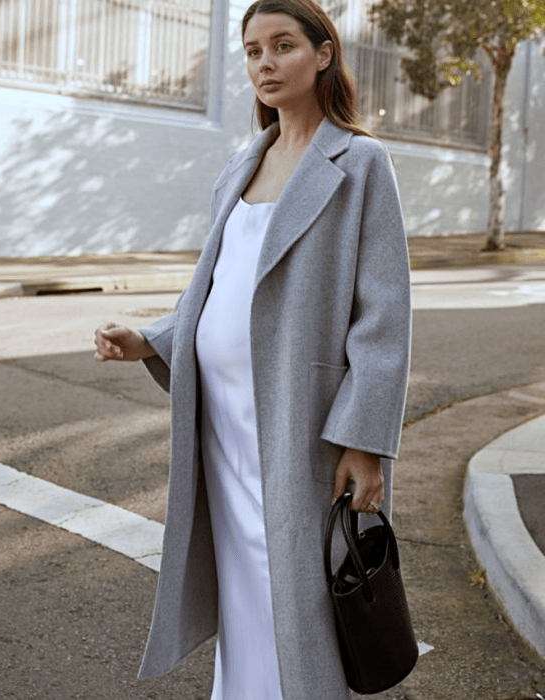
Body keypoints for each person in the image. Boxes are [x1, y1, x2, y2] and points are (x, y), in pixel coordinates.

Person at [93, 1, 411, 698]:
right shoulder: (242, 165)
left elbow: (384, 317)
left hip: (301, 420)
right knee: (241, 575)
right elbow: (215, 291)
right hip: (222, 422)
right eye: (252, 50)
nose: (264, 63)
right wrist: (151, 337)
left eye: (283, 45)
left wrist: (362, 441)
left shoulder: (359, 163)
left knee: (295, 587)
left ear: (323, 54)